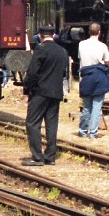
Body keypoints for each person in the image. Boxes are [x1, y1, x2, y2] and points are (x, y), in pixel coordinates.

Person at [22, 25, 68, 166]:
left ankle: (37, 156)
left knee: (32, 122)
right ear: (53, 35)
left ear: (40, 36)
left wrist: (27, 88)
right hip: (56, 92)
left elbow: (33, 73)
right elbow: (64, 73)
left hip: (40, 92)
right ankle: (50, 156)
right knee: (52, 124)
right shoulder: (62, 51)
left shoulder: (40, 49)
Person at [77, 22, 109, 139]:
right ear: (99, 32)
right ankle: (93, 133)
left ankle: (82, 131)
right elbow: (107, 61)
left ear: (88, 32)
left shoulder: (81, 44)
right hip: (98, 75)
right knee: (97, 106)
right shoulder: (102, 46)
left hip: (86, 75)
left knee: (86, 105)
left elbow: (80, 58)